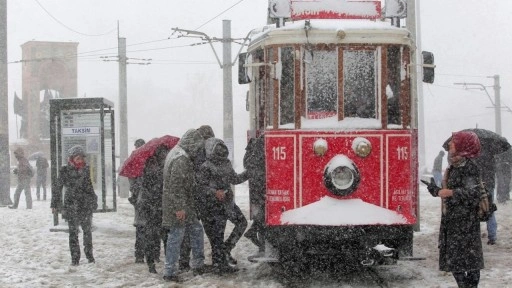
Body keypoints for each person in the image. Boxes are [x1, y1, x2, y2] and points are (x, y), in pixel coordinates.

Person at [424, 131, 484, 288]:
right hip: (454, 221)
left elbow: (473, 193)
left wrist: (451, 192)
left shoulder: (470, 167)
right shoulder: (454, 166)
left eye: (454, 141)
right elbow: (451, 191)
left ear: (463, 145)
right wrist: (435, 190)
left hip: (466, 223)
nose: (450, 144)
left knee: (469, 263)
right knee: (456, 262)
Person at [197, 137, 248, 274]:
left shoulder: (226, 163)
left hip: (227, 204)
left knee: (242, 222)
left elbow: (234, 179)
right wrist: (214, 192)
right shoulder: (205, 167)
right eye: (218, 152)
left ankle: (226, 250)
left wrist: (248, 173)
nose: (221, 156)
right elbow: (200, 188)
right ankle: (219, 265)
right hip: (211, 207)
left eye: (223, 153)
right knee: (216, 237)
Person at [162, 129, 206, 282]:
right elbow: (176, 186)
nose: (197, 150)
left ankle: (197, 264)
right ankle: (170, 271)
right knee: (176, 236)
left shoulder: (176, 153)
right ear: (191, 143)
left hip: (184, 205)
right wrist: (179, 208)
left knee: (194, 230)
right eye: (197, 146)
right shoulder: (181, 159)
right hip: (180, 206)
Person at [51, 145, 98, 266]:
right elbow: (57, 187)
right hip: (71, 204)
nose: (80, 160)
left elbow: (89, 186)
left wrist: (94, 199)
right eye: (77, 158)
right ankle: (75, 258)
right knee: (73, 233)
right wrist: (55, 203)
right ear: (71, 158)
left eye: (81, 158)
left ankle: (89, 255)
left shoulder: (86, 169)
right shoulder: (64, 170)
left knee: (87, 231)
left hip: (85, 204)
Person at [178, 124, 215, 271]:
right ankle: (195, 263)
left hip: (193, 196)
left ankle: (185, 261)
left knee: (189, 230)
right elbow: (200, 175)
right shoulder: (200, 152)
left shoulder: (192, 151)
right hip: (197, 197)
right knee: (195, 230)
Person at [138, 144, 170, 274]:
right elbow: (149, 186)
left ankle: (163, 263)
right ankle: (153, 263)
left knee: (163, 236)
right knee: (155, 236)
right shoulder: (154, 166)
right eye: (165, 153)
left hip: (157, 206)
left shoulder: (160, 166)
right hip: (153, 206)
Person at [243, 135, 266, 256]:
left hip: (256, 186)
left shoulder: (252, 149)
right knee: (266, 212)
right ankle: (255, 233)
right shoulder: (262, 145)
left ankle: (254, 231)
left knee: (263, 211)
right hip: (261, 185)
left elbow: (247, 166)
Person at [128, 138, 146, 264]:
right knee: (144, 226)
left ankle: (140, 254)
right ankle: (143, 254)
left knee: (141, 227)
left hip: (141, 199)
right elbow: (132, 184)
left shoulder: (134, 161)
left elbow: (132, 183)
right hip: (143, 199)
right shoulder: (137, 161)